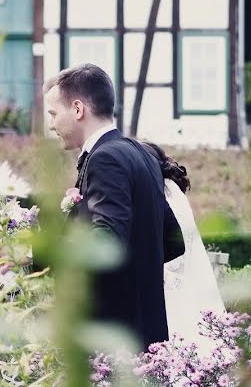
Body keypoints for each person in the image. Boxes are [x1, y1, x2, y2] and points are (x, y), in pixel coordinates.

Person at [44, 63, 185, 350]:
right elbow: (174, 241)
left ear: (78, 108)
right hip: (148, 334)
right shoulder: (140, 153)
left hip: (114, 339)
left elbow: (106, 241)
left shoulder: (105, 159)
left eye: (53, 114)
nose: (51, 125)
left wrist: (38, 252)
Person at [141, 142, 225, 352]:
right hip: (179, 286)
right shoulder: (171, 193)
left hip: (167, 289)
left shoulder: (160, 198)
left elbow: (173, 247)